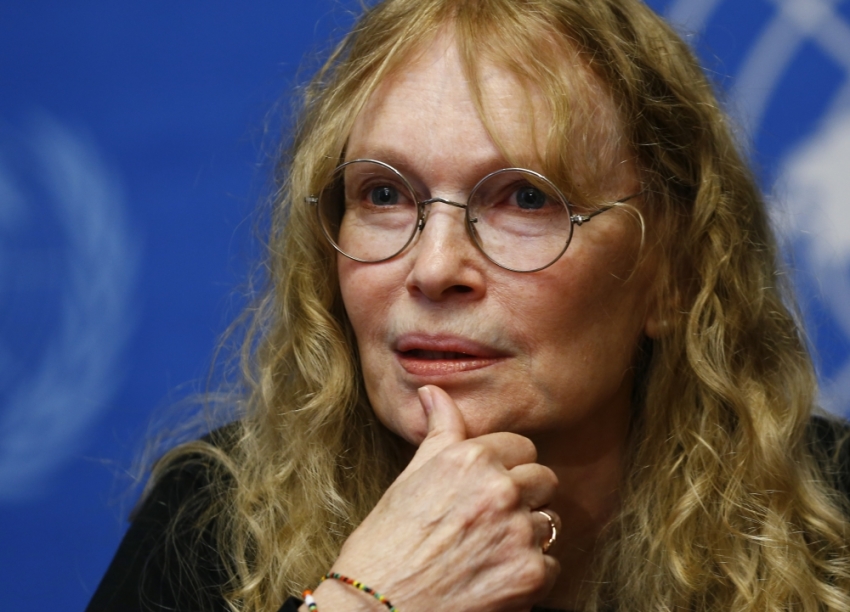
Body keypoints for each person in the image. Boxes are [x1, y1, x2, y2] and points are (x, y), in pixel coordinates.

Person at [86, 0, 850, 611]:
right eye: (383, 195)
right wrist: (367, 603)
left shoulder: (834, 517)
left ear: (673, 272)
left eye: (526, 198)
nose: (435, 266)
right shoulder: (215, 522)